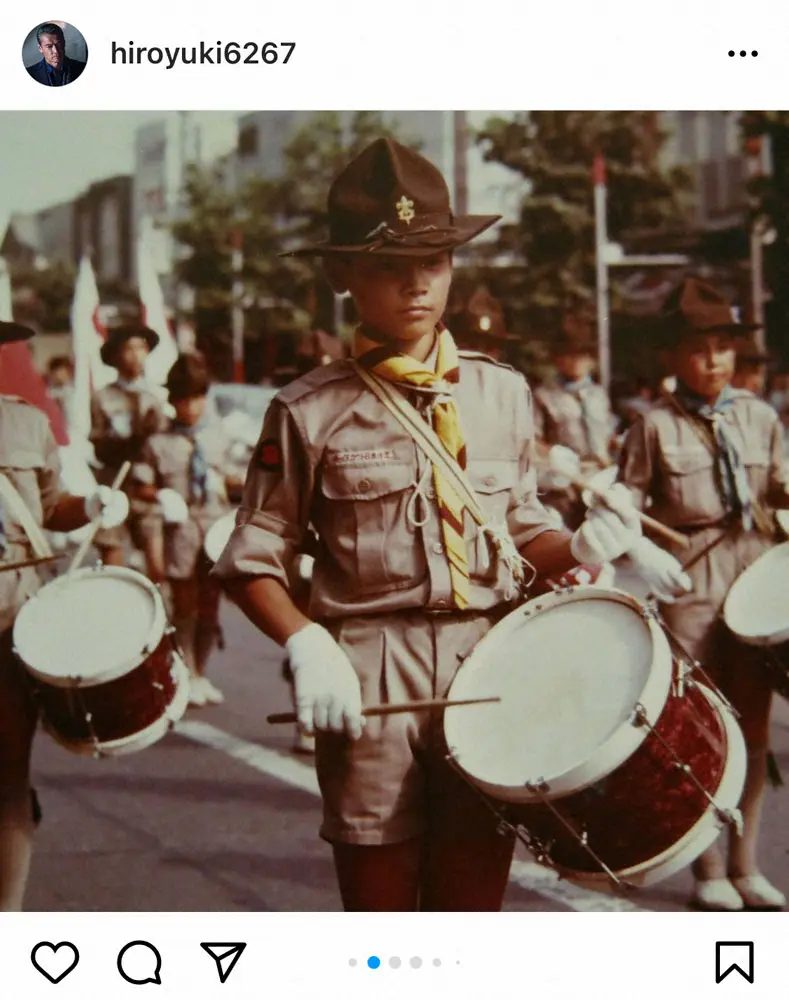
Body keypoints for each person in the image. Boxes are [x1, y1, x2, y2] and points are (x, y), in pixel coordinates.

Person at [212, 138, 668, 911]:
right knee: (381, 915)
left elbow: (522, 529)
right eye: (388, 264)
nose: (415, 284)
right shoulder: (308, 410)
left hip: (487, 668)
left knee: (470, 902)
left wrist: (578, 548)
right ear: (341, 275)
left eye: (434, 261)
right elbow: (249, 559)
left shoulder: (499, 393)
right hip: (368, 669)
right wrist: (306, 641)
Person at [618, 276, 789, 911]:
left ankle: (748, 865)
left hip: (756, 577)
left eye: (723, 346)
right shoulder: (653, 427)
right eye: (698, 347)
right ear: (671, 357)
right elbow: (624, 509)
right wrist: (641, 549)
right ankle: (710, 868)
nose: (714, 359)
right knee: (703, 728)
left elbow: (778, 489)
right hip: (691, 580)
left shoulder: (760, 416)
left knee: (753, 725)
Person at [0, 320, 128, 911]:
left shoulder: (24, 423)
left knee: (5, 780)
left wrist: (93, 505)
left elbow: (51, 509)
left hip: (9, 627)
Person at [132, 352, 237, 707]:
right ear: (173, 400)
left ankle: (202, 671)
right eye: (183, 398)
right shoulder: (158, 442)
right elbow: (140, 484)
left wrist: (233, 482)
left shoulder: (217, 438)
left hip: (215, 524)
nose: (191, 406)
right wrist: (161, 494)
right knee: (185, 602)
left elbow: (236, 477)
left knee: (211, 602)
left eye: (197, 397)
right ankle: (186, 670)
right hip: (181, 528)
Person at [90, 325, 167, 577]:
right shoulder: (103, 397)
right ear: (115, 356)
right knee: (112, 554)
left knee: (158, 560)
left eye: (142, 348)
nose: (136, 355)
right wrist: (129, 441)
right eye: (129, 349)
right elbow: (99, 446)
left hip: (146, 488)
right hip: (115, 483)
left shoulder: (156, 397)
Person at [533, 322, 615, 529]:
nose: (577, 361)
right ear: (557, 359)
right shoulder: (544, 395)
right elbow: (531, 440)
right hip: (563, 484)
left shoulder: (598, 394)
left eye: (583, 355)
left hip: (600, 481)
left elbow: (607, 434)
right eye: (569, 355)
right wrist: (552, 454)